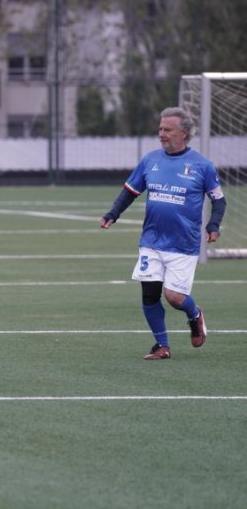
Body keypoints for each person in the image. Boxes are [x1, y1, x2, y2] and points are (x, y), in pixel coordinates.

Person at [100, 107, 226, 360]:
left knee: (174, 297)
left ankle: (194, 315)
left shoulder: (202, 166)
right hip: (152, 240)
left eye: (168, 129)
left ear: (184, 133)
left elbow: (219, 201)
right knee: (149, 295)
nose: (161, 134)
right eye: (160, 129)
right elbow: (130, 192)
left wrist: (213, 225)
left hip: (184, 243)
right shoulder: (150, 160)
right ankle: (162, 345)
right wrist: (113, 213)